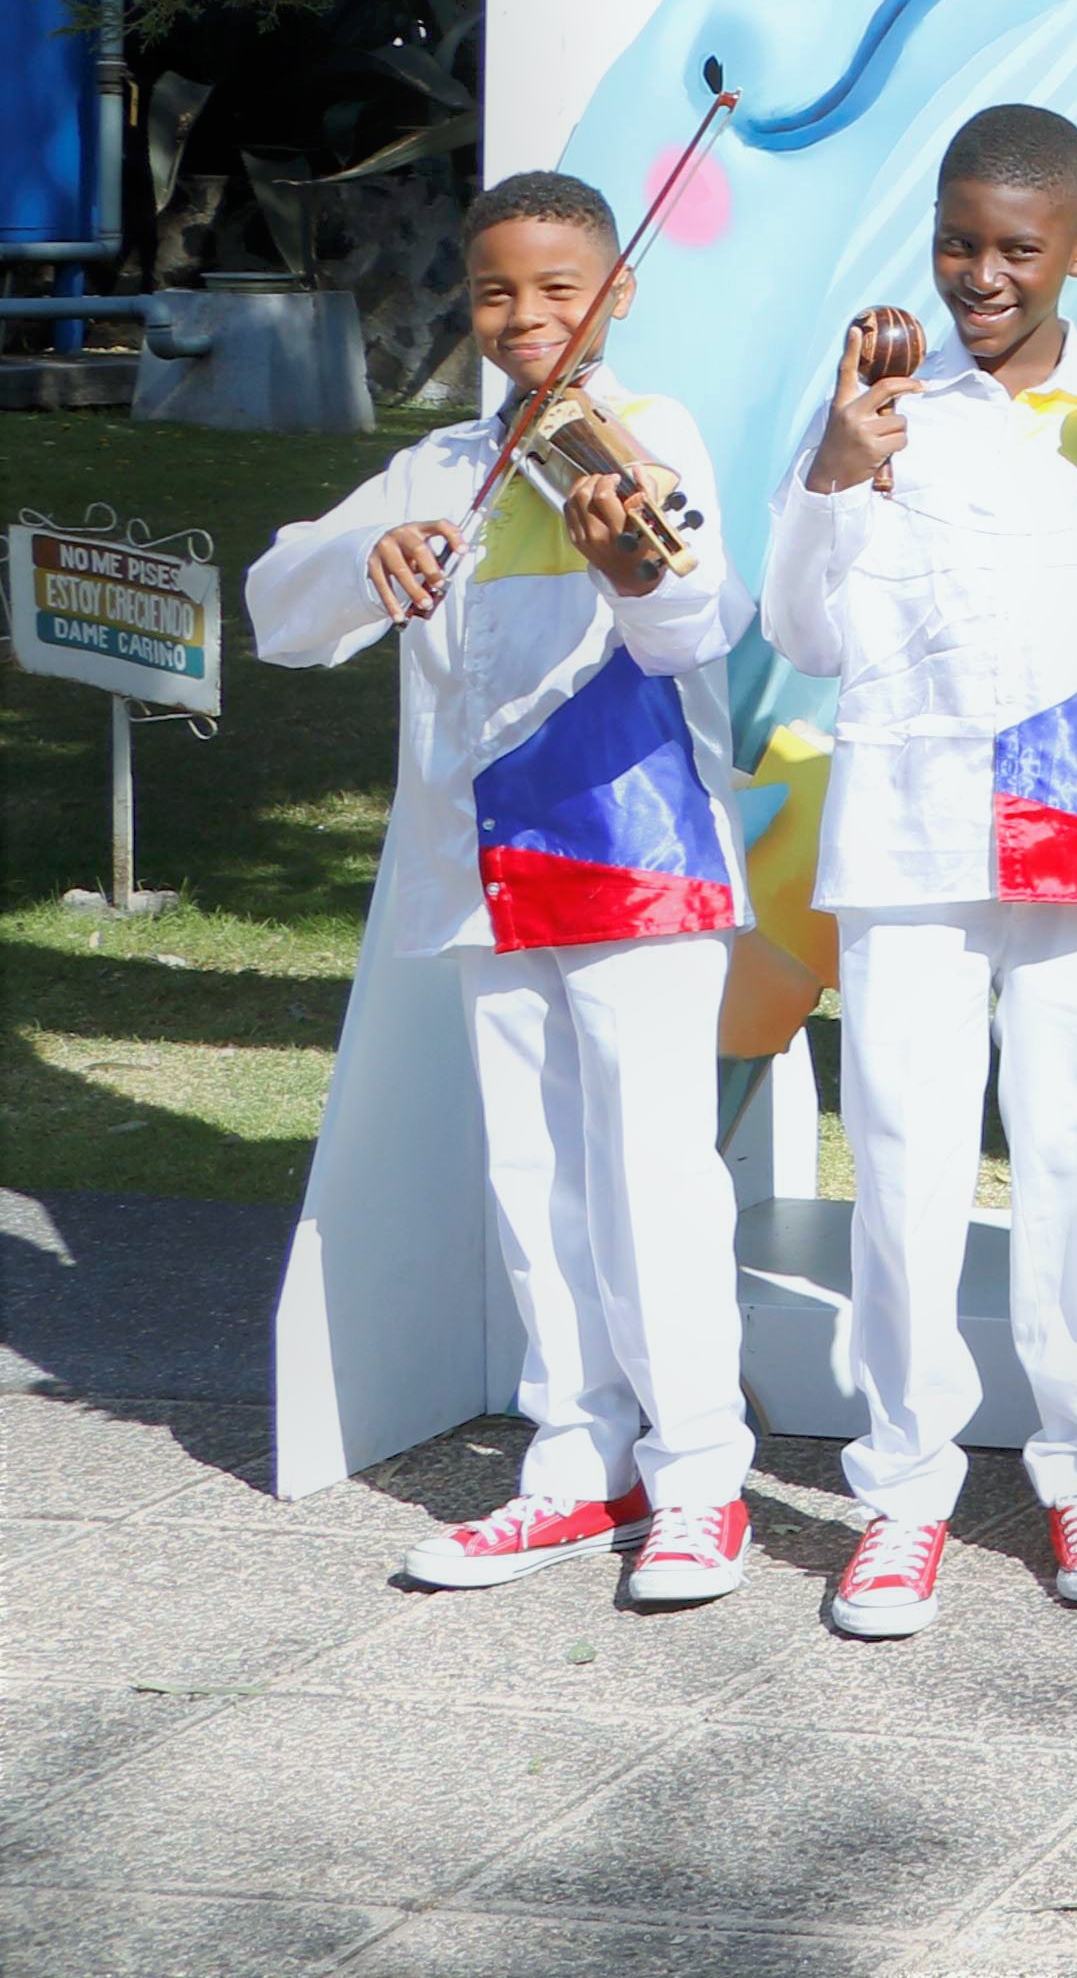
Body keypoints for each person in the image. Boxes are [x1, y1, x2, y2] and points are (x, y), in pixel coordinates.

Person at [760, 106, 1077, 1637]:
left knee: (1075, 1156)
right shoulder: (879, 410)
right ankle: (902, 1488)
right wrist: (837, 473)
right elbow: (801, 632)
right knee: (903, 1154)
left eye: (1018, 249)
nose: (984, 273)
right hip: (907, 842)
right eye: (960, 241)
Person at [248, 173, 759, 1608]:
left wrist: (634, 570)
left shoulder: (652, 442)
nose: (528, 317)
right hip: (486, 874)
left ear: (618, 292)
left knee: (651, 1176)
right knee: (534, 1181)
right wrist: (370, 558)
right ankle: (574, 1462)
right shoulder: (441, 466)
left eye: (559, 289)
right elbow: (278, 603)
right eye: (496, 292)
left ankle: (700, 1477)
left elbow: (702, 622)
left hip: (636, 861)